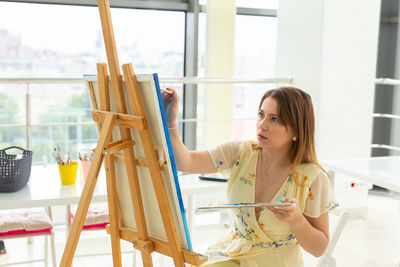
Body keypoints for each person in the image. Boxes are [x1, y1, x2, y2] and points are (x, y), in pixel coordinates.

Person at [162, 87, 338, 267]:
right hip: (232, 253)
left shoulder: (312, 179)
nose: (262, 125)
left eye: (274, 119)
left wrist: (296, 219)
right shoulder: (240, 153)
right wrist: (170, 121)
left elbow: (319, 249)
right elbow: (186, 161)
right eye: (261, 115)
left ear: (297, 130)